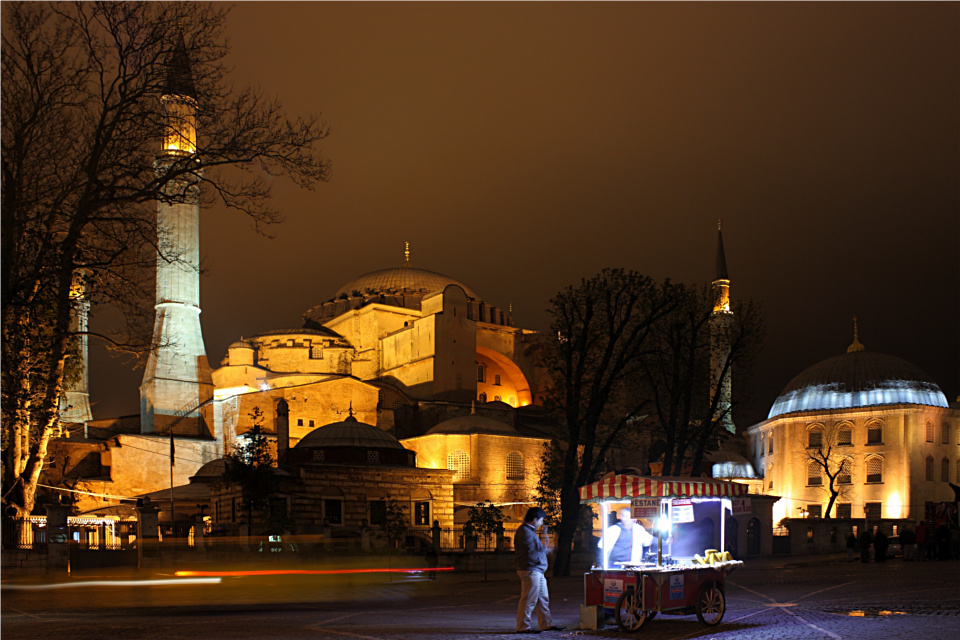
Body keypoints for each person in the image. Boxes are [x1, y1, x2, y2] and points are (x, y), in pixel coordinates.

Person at [514, 507, 563, 634]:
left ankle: (546, 624)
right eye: (541, 520)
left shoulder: (528, 531)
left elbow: (539, 549)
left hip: (536, 570)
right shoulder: (525, 532)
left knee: (543, 599)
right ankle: (523, 627)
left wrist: (544, 542)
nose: (541, 523)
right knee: (529, 599)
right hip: (531, 570)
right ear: (535, 519)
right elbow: (535, 551)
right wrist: (543, 552)